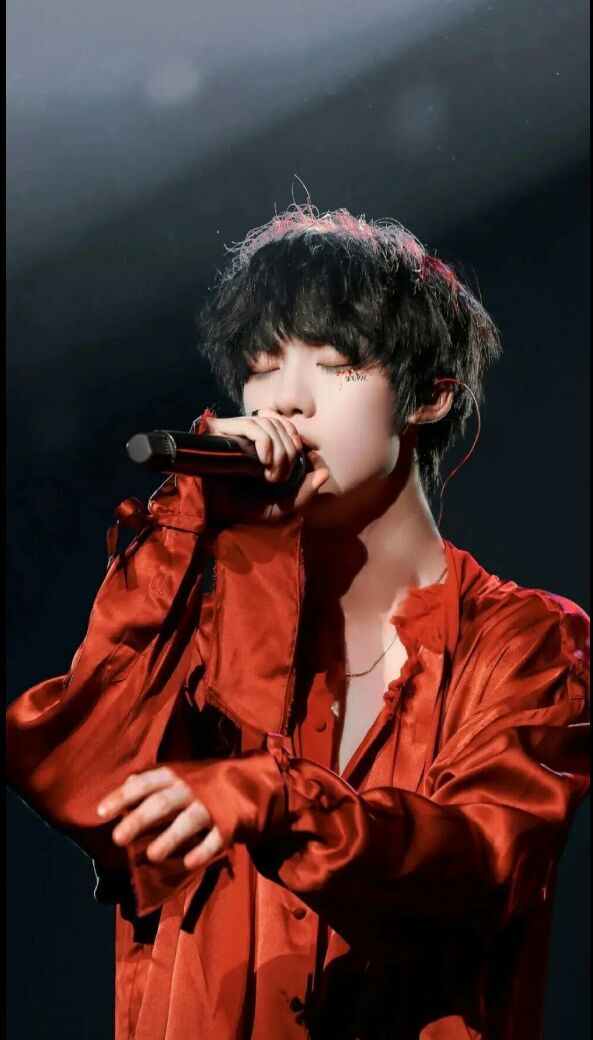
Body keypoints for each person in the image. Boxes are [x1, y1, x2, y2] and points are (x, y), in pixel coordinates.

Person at [6, 205, 589, 1040]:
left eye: (337, 365)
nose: (285, 398)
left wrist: (278, 801)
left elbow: (479, 870)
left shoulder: (527, 644)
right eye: (261, 366)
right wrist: (190, 526)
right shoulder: (201, 619)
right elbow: (75, 775)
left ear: (429, 396)